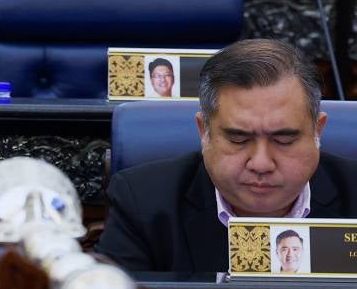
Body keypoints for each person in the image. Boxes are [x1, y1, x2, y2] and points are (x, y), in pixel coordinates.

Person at [96, 38, 357, 272]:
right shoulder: (144, 202)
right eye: (238, 139)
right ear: (204, 131)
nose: (261, 163)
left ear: (317, 131)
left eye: (284, 139)